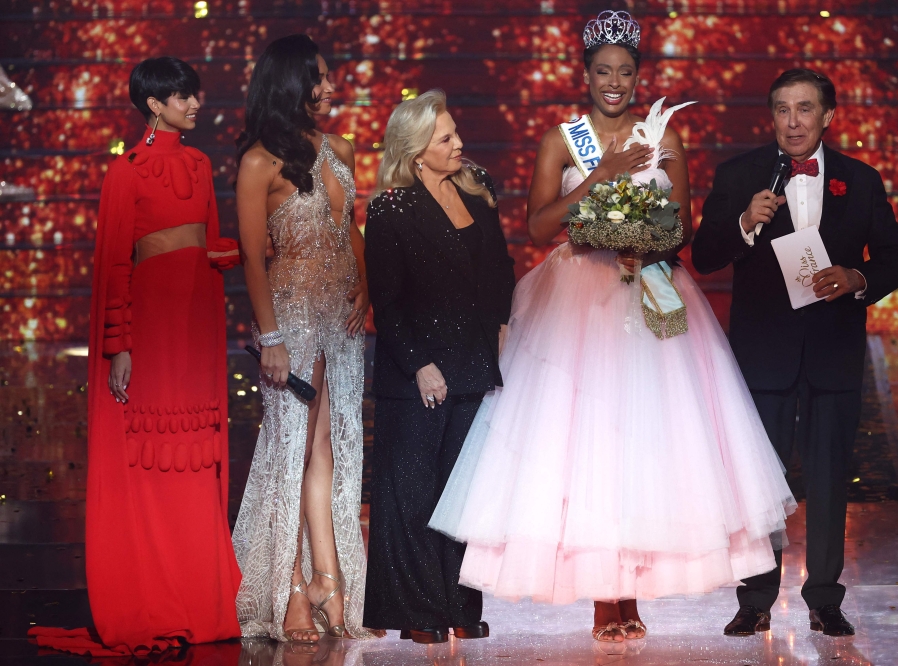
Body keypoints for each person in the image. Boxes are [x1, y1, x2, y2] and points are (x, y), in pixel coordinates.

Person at [428, 10, 796, 643]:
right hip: (580, 303)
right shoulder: (562, 140)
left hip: (648, 290)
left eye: (626, 72)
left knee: (644, 445)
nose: (615, 83)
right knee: (588, 443)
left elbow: (680, 227)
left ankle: (630, 590)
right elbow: (540, 227)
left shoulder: (664, 137)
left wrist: (641, 235)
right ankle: (605, 600)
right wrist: (601, 180)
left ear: (637, 75)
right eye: (604, 72)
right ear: (586, 74)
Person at [691, 68, 898, 637]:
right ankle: (756, 596)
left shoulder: (861, 180)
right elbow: (704, 255)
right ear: (771, 116)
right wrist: (744, 223)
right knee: (761, 480)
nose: (793, 121)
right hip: (764, 351)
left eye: (805, 109)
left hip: (833, 352)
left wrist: (855, 276)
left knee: (829, 477)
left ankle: (824, 596)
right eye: (783, 110)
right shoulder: (740, 174)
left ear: (828, 116)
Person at [30, 57, 242, 655]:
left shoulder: (201, 165)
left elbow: (208, 243)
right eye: (183, 95)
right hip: (150, 327)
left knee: (196, 456)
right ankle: (152, 592)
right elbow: (116, 265)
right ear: (154, 103)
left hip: (197, 322)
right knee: (152, 456)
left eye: (195, 94)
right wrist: (119, 347)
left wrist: (245, 253)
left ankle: (202, 597)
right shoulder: (124, 173)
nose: (195, 103)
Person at [231, 34, 374, 642]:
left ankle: (329, 584)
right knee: (290, 456)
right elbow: (251, 258)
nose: (330, 87)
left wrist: (366, 289)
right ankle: (289, 592)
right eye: (318, 78)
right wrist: (270, 337)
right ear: (291, 83)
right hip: (290, 322)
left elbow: (350, 231)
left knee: (330, 454)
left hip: (340, 324)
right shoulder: (259, 162)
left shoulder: (338, 147)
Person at [362, 90, 516, 645]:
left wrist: (500, 324)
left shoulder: (477, 190)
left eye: (455, 133)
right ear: (415, 150)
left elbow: (501, 267)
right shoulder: (389, 209)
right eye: (445, 138)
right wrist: (420, 364)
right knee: (414, 494)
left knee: (462, 493)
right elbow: (388, 299)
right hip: (418, 372)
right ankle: (417, 612)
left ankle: (459, 603)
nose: (459, 144)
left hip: (474, 364)